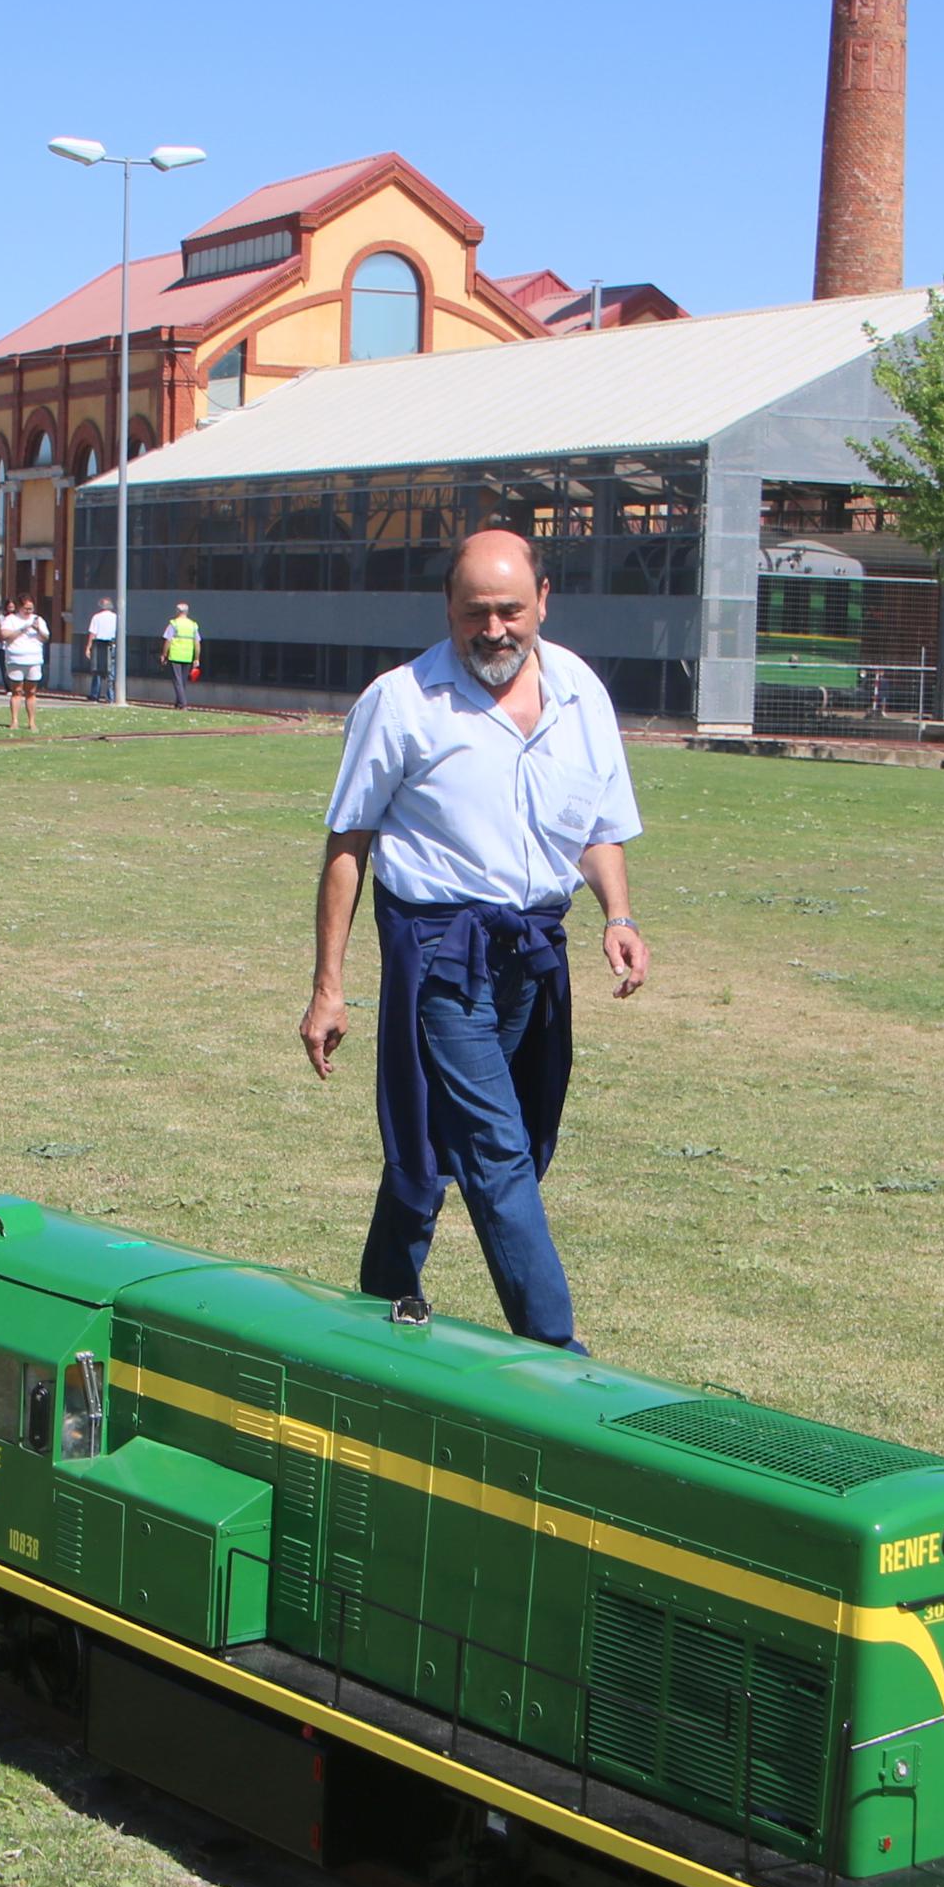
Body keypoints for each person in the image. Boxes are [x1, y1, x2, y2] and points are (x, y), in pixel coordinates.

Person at [297, 531, 649, 1351]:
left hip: (531, 949)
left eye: (510, 610)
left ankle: (382, 1291)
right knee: (494, 1148)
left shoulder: (579, 693)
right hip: (438, 952)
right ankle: (559, 1353)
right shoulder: (401, 701)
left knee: (472, 1136)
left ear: (544, 601)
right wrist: (328, 984)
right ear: (448, 611)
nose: (494, 630)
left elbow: (597, 825)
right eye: (475, 613)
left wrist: (619, 916)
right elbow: (348, 844)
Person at [0, 595, 49, 737]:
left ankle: (31, 722)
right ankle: (14, 720)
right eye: (26, 608)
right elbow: (4, 635)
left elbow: (45, 637)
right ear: (19, 607)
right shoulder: (11, 620)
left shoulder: (38, 620)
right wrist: (23, 629)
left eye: (31, 608)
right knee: (17, 691)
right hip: (15, 659)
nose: (29, 611)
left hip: (34, 659)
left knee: (31, 692)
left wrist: (38, 629)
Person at [161, 598, 203, 709]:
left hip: (175, 655)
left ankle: (183, 704)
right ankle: (178, 703)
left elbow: (168, 640)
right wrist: (196, 658)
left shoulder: (174, 624)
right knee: (182, 682)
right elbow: (197, 643)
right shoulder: (193, 625)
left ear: (177, 611)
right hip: (187, 656)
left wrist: (164, 654)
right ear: (187, 612)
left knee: (177, 681)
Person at [84, 596, 120, 705]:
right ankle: (110, 697)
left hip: (99, 645)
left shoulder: (96, 617)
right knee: (111, 672)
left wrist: (88, 647)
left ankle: (95, 695)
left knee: (97, 670)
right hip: (112, 644)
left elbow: (93, 633)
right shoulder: (116, 617)